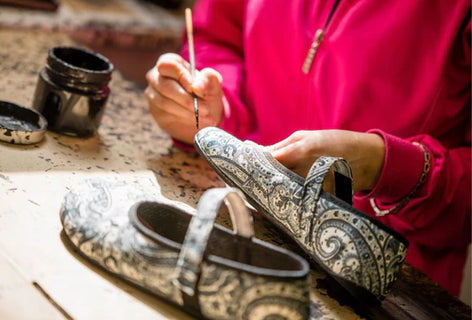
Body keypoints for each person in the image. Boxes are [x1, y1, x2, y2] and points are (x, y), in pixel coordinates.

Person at [145, 0, 471, 297]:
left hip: (376, 288)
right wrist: (216, 105)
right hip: (230, 227)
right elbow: (218, 36)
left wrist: (385, 166)